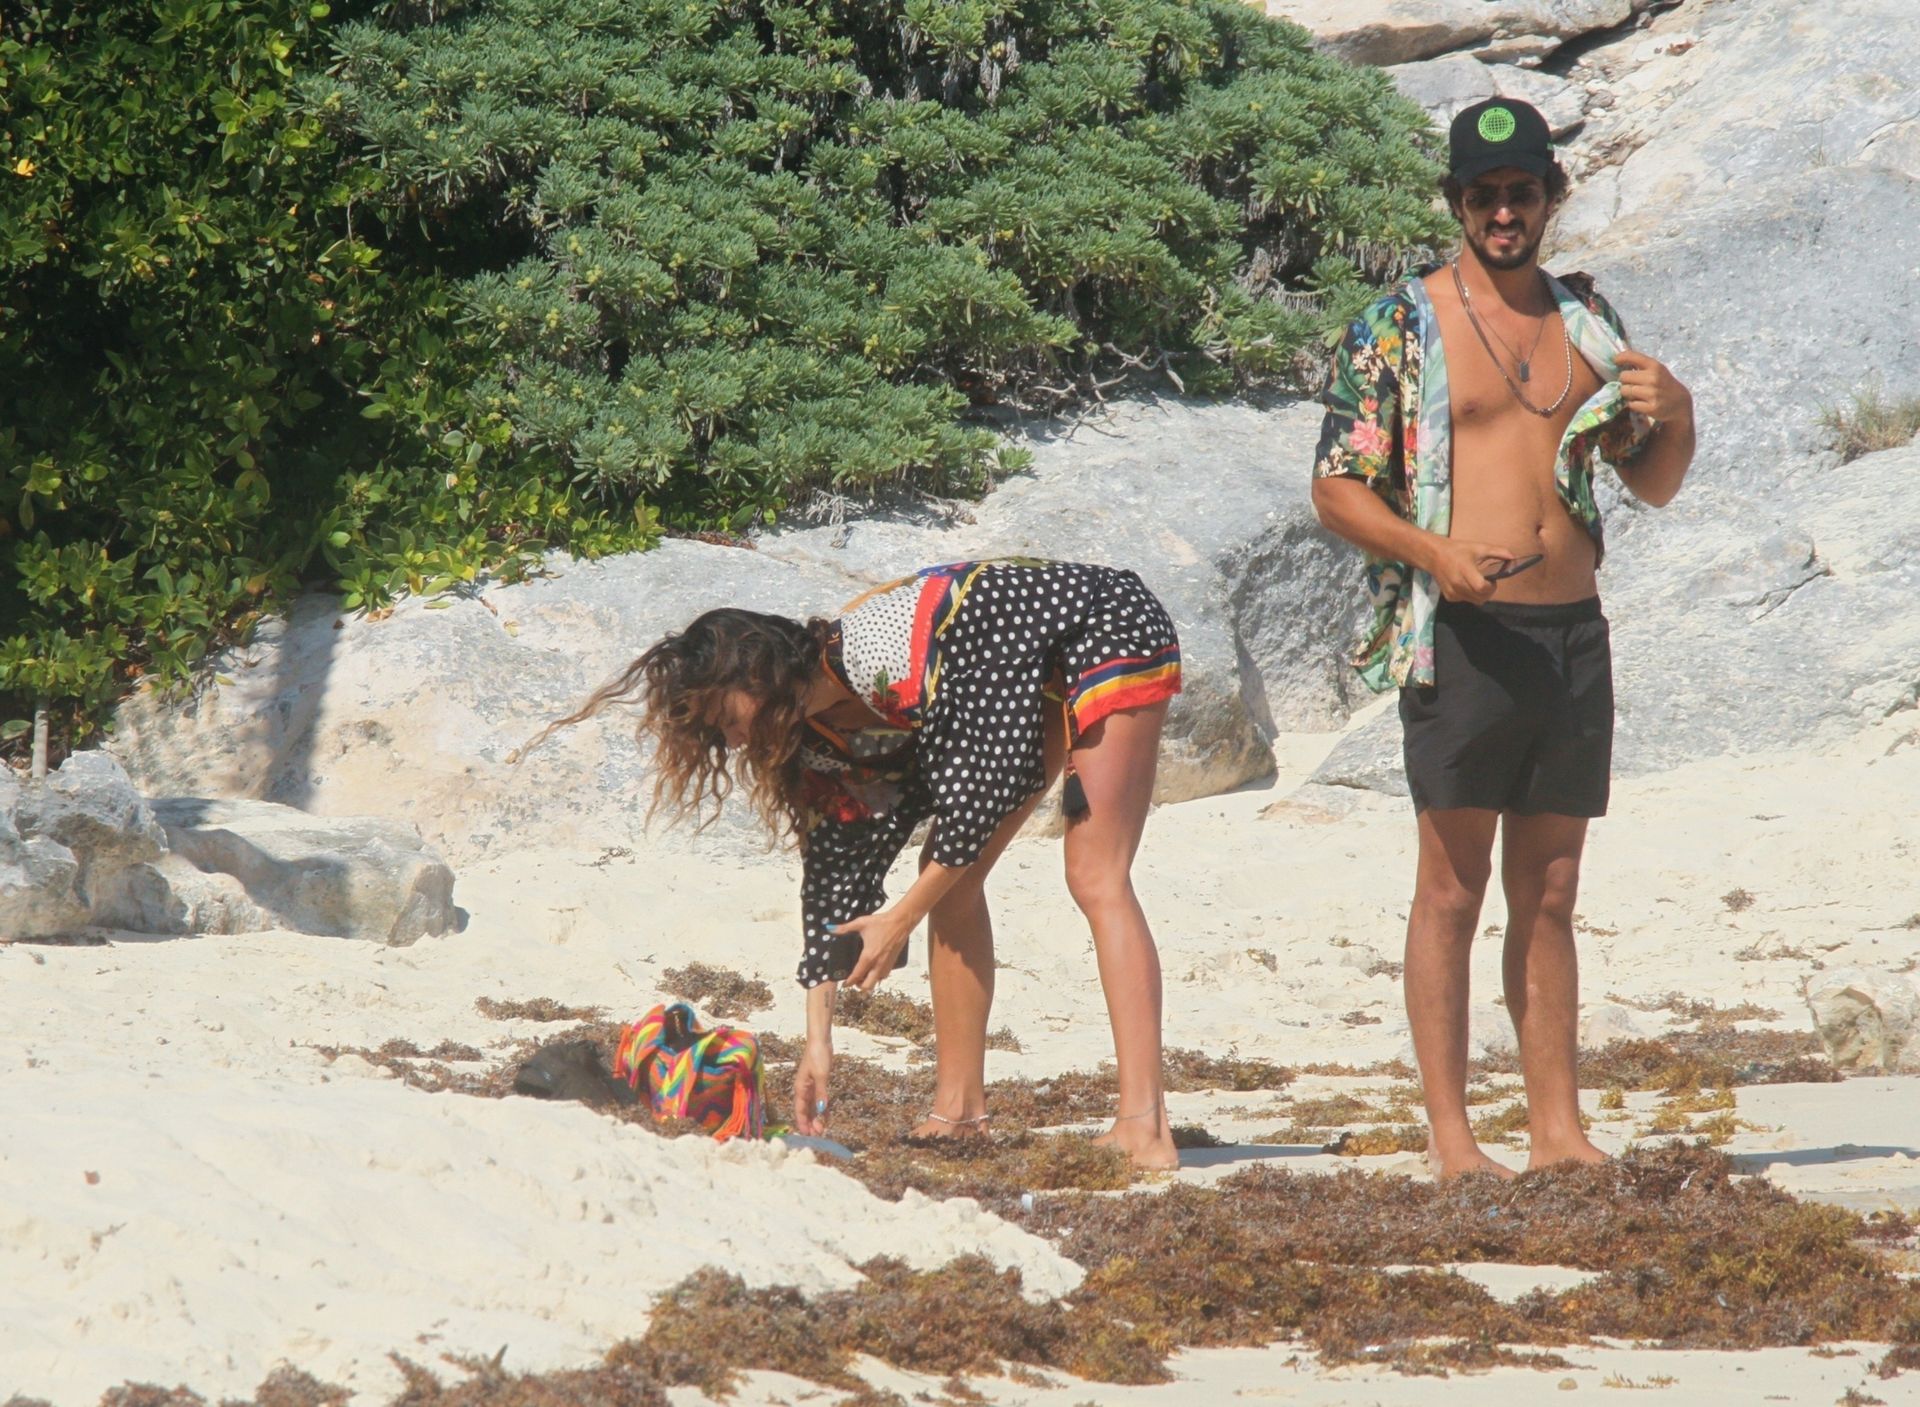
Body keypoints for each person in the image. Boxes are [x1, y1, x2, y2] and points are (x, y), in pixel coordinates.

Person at [1309, 98, 1696, 1179]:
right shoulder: (1399, 326)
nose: (1503, 212)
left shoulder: (1587, 322)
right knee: (1450, 886)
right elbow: (1336, 490)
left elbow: (1652, 482)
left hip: (1572, 632)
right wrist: (1433, 554)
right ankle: (1451, 1137)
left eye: (1521, 191)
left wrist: (1682, 412)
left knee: (1555, 887)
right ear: (1458, 206)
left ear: (1549, 198)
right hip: (1468, 637)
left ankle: (1557, 1130)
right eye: (1482, 196)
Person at [525, 559, 1184, 1170]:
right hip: (1027, 674)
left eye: (725, 717)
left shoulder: (880, 657)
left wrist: (898, 919)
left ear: (755, 674)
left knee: (1094, 872)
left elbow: (994, 780)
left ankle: (1145, 1126)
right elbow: (832, 876)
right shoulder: (818, 740)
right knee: (950, 880)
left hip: (1104, 626)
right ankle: (958, 1113)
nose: (730, 740)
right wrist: (819, 1040)